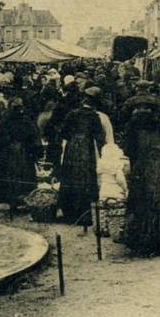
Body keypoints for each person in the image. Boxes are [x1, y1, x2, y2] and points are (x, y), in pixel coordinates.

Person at [120, 103, 160, 256]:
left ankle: (142, 239)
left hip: (142, 167)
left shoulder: (133, 126)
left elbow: (128, 149)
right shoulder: (159, 125)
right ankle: (159, 238)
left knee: (141, 202)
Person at [58, 87, 106, 225]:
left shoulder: (72, 114)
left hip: (72, 147)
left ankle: (69, 212)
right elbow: (100, 138)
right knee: (86, 177)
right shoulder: (94, 117)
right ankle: (84, 214)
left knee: (70, 176)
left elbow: (63, 133)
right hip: (86, 148)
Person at [0, 98, 43, 213]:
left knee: (9, 177)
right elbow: (35, 138)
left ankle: (12, 202)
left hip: (9, 153)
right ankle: (24, 201)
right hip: (24, 153)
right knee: (24, 177)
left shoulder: (6, 121)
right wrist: (37, 154)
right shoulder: (27, 121)